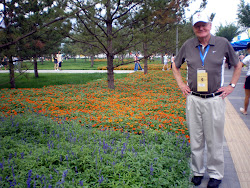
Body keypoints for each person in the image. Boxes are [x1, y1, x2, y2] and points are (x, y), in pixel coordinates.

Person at [172, 12, 242, 188]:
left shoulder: (222, 43)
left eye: (204, 25)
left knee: (214, 139)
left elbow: (238, 64)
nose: (201, 28)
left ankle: (215, 174)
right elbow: (176, 64)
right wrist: (181, 84)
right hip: (193, 99)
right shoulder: (188, 45)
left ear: (210, 25)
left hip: (214, 99)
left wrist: (232, 86)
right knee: (196, 138)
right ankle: (197, 172)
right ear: (194, 28)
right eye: (197, 25)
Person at [240, 43, 250, 115]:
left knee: (247, 95)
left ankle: (245, 111)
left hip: (249, 77)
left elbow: (240, 65)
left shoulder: (248, 57)